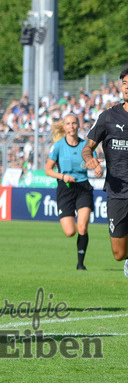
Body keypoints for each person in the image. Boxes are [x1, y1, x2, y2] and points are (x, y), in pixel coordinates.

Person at [82, 65, 128, 277]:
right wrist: (90, 159)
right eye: (124, 84)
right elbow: (87, 148)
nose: (127, 88)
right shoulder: (109, 117)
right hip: (117, 191)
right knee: (119, 253)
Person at [44, 113, 94, 270]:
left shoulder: (86, 146)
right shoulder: (58, 146)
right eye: (68, 123)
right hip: (65, 189)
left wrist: (97, 168)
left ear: (78, 125)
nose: (71, 126)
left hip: (83, 188)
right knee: (70, 231)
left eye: (74, 123)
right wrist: (63, 176)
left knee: (82, 227)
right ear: (64, 127)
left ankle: (81, 264)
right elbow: (48, 170)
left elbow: (92, 163)